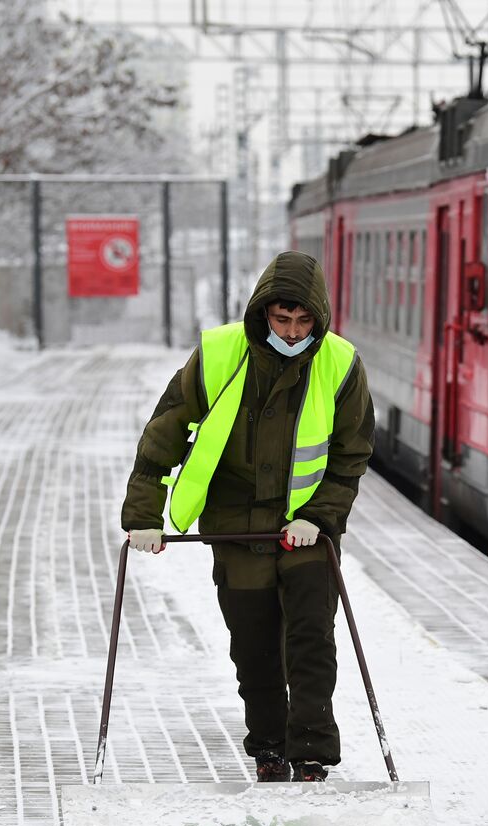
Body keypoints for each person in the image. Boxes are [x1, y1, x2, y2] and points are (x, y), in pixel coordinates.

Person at [121, 250, 375, 783]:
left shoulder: (341, 364)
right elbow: (166, 429)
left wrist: (321, 518)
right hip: (236, 527)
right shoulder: (218, 354)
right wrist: (143, 515)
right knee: (255, 648)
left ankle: (311, 752)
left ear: (319, 319)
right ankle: (269, 748)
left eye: (304, 321)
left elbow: (351, 455)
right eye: (282, 319)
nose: (291, 331)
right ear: (262, 312)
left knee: (310, 640)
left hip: (306, 530)